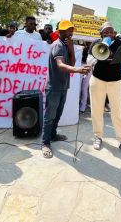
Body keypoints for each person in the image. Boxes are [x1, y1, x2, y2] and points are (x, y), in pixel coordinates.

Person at [41, 21, 90, 158]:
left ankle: (53, 135)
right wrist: (78, 70)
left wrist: (71, 48)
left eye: (71, 30)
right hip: (54, 88)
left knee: (58, 114)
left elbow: (72, 63)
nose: (70, 33)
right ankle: (45, 143)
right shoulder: (57, 45)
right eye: (68, 30)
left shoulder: (65, 45)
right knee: (49, 117)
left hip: (63, 87)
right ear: (60, 32)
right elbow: (61, 65)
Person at [88, 22, 121, 155]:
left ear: (114, 33)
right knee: (97, 109)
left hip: (116, 82)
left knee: (117, 111)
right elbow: (89, 60)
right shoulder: (96, 42)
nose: (109, 34)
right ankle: (98, 136)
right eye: (106, 32)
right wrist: (101, 53)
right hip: (98, 80)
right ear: (101, 34)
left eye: (111, 32)